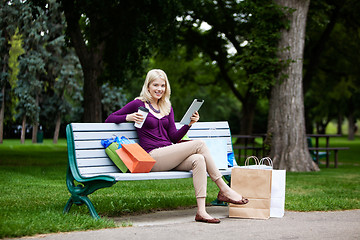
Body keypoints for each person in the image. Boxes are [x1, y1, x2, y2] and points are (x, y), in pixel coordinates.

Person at [105, 69, 248, 224]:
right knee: (199, 144)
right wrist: (129, 117)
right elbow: (109, 119)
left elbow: (174, 137)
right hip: (152, 156)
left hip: (169, 155)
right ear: (148, 86)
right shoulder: (138, 104)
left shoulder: (167, 107)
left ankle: (201, 211)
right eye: (155, 85)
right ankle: (224, 188)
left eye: (163, 85)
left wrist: (189, 124)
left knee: (199, 159)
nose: (159, 89)